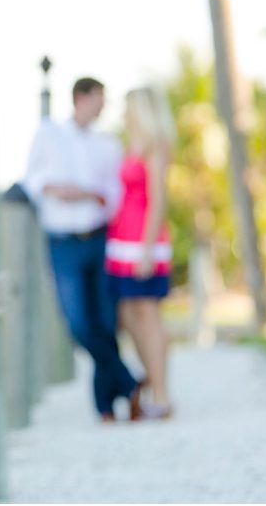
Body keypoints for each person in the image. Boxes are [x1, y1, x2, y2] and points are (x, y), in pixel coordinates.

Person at [23, 77, 141, 422]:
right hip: (62, 241)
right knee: (77, 323)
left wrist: (88, 194)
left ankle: (106, 407)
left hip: (100, 237)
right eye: (98, 100)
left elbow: (112, 194)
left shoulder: (108, 144)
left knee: (105, 322)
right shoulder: (49, 134)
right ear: (80, 98)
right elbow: (32, 181)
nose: (102, 107)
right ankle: (129, 383)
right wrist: (57, 189)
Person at [105, 86, 176, 419]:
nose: (124, 112)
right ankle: (150, 378)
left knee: (148, 315)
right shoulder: (130, 145)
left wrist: (147, 249)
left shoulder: (156, 146)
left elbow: (158, 201)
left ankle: (161, 394)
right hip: (122, 242)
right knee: (129, 316)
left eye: (128, 106)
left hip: (144, 244)